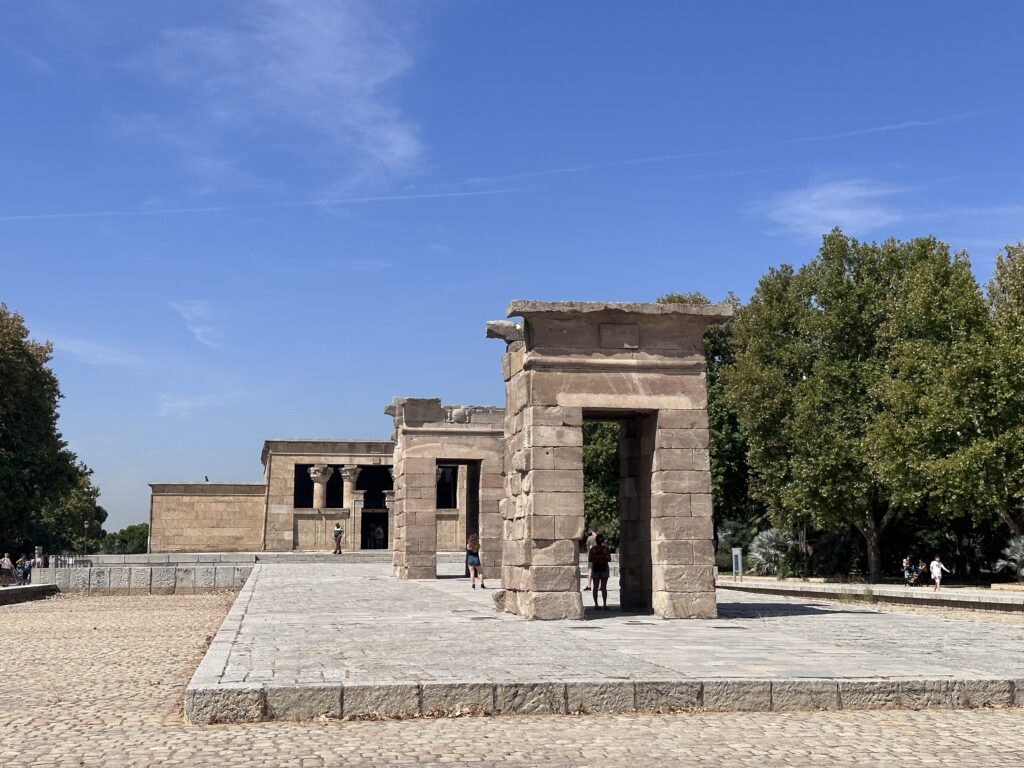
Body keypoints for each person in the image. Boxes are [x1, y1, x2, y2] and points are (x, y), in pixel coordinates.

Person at [588, 534, 612, 610]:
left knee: (595, 587)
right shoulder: (606, 549)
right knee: (604, 587)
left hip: (595, 569)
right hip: (604, 569)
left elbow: (590, 559)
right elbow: (609, 559)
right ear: (602, 541)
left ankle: (596, 604)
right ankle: (604, 604)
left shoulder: (593, 549)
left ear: (596, 540)